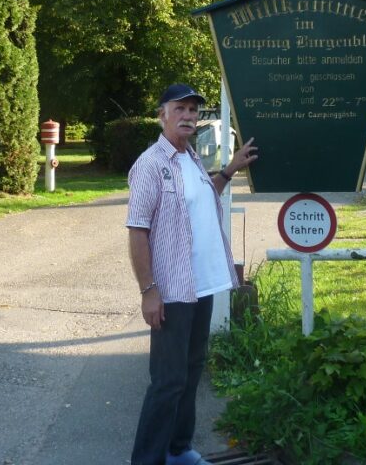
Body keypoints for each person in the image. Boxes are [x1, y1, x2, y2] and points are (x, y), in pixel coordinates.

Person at [126, 83, 258, 465]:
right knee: (168, 381)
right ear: (162, 114)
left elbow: (203, 198)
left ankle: (179, 449)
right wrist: (148, 290)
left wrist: (230, 170)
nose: (188, 116)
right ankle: (147, 459)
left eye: (193, 111)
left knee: (191, 370)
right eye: (180, 109)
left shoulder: (192, 159)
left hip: (201, 284)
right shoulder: (151, 164)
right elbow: (138, 229)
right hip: (170, 291)